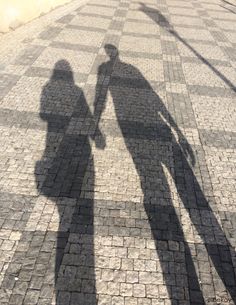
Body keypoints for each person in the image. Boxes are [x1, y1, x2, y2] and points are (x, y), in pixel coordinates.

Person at [94, 44, 236, 304]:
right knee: (180, 189)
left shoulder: (109, 69)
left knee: (153, 183)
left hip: (133, 129)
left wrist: (96, 120)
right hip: (145, 128)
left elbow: (105, 95)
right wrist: (175, 128)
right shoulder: (125, 69)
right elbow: (150, 97)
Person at [35, 60, 105, 305]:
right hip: (71, 145)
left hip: (53, 142)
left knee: (61, 169)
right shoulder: (76, 91)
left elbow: (44, 115)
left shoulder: (47, 88)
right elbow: (84, 113)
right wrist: (96, 135)